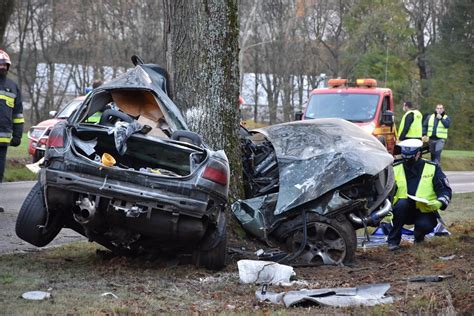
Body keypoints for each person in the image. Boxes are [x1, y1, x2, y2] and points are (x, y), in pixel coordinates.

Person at [387, 139, 452, 251]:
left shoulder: (432, 167)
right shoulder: (395, 168)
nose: (407, 160)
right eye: (405, 156)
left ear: (418, 153)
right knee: (401, 204)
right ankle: (393, 242)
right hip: (402, 210)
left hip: (425, 210)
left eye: (410, 157)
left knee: (425, 225)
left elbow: (445, 190)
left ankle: (419, 238)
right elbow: (386, 192)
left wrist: (439, 202)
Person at [0, 49, 24, 212]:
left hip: (3, 140)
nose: (2, 67)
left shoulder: (12, 86)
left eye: (4, 64)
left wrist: (17, 134)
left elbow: (18, 113)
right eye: (0, 64)